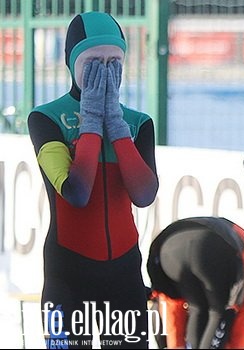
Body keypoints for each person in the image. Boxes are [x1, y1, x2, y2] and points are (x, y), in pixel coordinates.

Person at [27, 11, 159, 349]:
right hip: (66, 276)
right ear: (72, 63)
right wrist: (90, 122)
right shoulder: (46, 118)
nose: (104, 70)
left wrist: (114, 123)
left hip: (124, 276)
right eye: (93, 61)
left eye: (114, 60)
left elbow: (144, 194)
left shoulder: (137, 122)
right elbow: (77, 192)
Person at [147, 217, 244, 349]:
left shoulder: (234, 241)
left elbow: (172, 303)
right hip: (209, 248)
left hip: (167, 250)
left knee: (197, 308)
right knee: (218, 312)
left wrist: (176, 345)